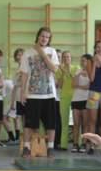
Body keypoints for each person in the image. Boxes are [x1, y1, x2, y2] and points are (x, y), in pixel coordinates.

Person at [17, 27, 60, 157]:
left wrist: (41, 52)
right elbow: (24, 74)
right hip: (32, 94)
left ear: (49, 39)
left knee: (50, 123)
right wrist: (22, 93)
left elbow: (54, 69)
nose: (44, 39)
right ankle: (27, 147)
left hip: (49, 94)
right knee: (29, 123)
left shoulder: (52, 51)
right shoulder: (28, 53)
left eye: (47, 37)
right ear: (38, 36)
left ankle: (50, 147)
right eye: (42, 36)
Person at [70, 54, 91, 153]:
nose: (82, 62)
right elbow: (73, 84)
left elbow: (88, 87)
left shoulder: (91, 72)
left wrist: (79, 86)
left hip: (86, 99)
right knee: (76, 123)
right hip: (76, 99)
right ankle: (75, 144)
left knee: (85, 124)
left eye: (84, 61)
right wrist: (78, 75)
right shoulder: (78, 71)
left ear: (89, 62)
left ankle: (84, 143)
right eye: (81, 61)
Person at [56, 50, 75, 150]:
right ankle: (63, 144)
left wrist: (67, 72)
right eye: (64, 57)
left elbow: (75, 82)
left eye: (68, 57)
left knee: (77, 122)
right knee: (64, 121)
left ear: (71, 58)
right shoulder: (59, 70)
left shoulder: (76, 68)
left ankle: (78, 143)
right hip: (64, 97)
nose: (66, 58)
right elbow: (60, 85)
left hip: (75, 97)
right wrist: (63, 73)